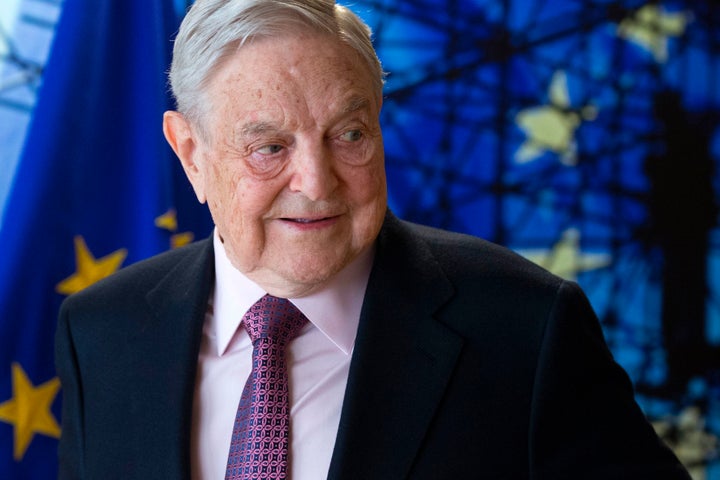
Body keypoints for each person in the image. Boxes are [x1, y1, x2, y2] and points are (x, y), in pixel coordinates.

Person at [55, 0, 691, 479]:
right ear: (191, 155)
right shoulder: (102, 333)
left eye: (349, 134)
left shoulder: (526, 329)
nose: (317, 181)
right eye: (270, 147)